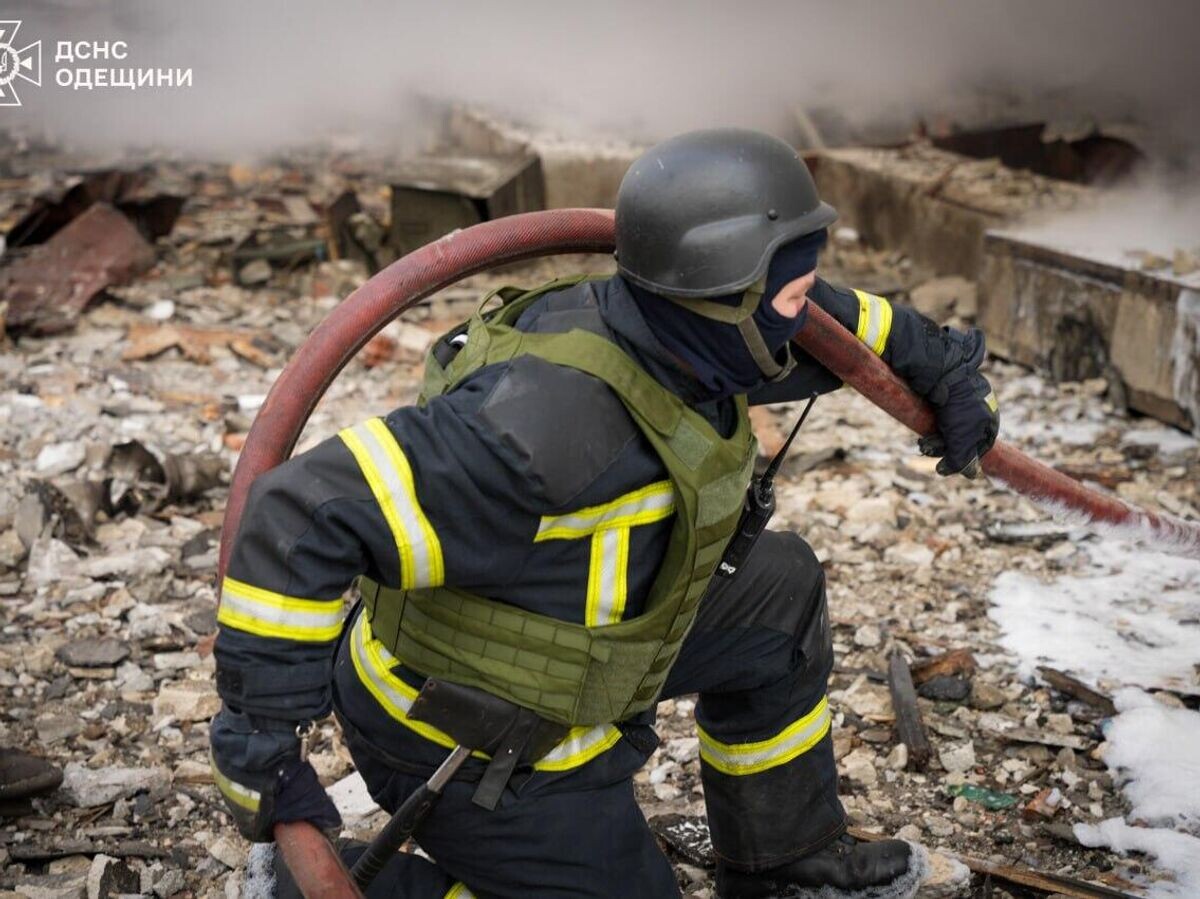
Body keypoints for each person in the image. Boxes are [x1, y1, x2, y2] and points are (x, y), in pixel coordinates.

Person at [210, 128, 999, 899]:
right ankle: (299, 885)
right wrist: (263, 743)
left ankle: (781, 857)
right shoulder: (544, 433)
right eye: (791, 297)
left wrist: (934, 360)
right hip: (467, 738)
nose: (806, 321)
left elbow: (828, 319)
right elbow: (299, 514)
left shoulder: (683, 333)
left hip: (582, 647)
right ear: (724, 300)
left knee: (779, 589)